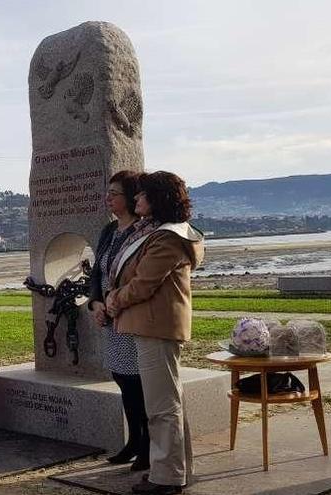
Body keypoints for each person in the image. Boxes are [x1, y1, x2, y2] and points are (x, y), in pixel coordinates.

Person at [106, 171, 204, 495]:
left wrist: (113, 301)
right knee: (169, 402)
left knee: (161, 407)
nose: (136, 199)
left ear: (157, 198)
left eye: (142, 195)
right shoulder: (160, 233)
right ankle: (177, 470)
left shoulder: (166, 238)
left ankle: (166, 477)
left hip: (156, 326)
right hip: (153, 325)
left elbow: (144, 283)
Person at [87, 170, 150, 471]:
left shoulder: (142, 232)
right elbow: (97, 272)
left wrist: (115, 303)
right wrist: (96, 303)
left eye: (114, 193)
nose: (108, 198)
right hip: (110, 318)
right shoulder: (109, 231)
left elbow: (139, 277)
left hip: (131, 317)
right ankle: (134, 439)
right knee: (123, 379)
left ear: (131, 196)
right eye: (108, 193)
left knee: (139, 382)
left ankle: (147, 444)